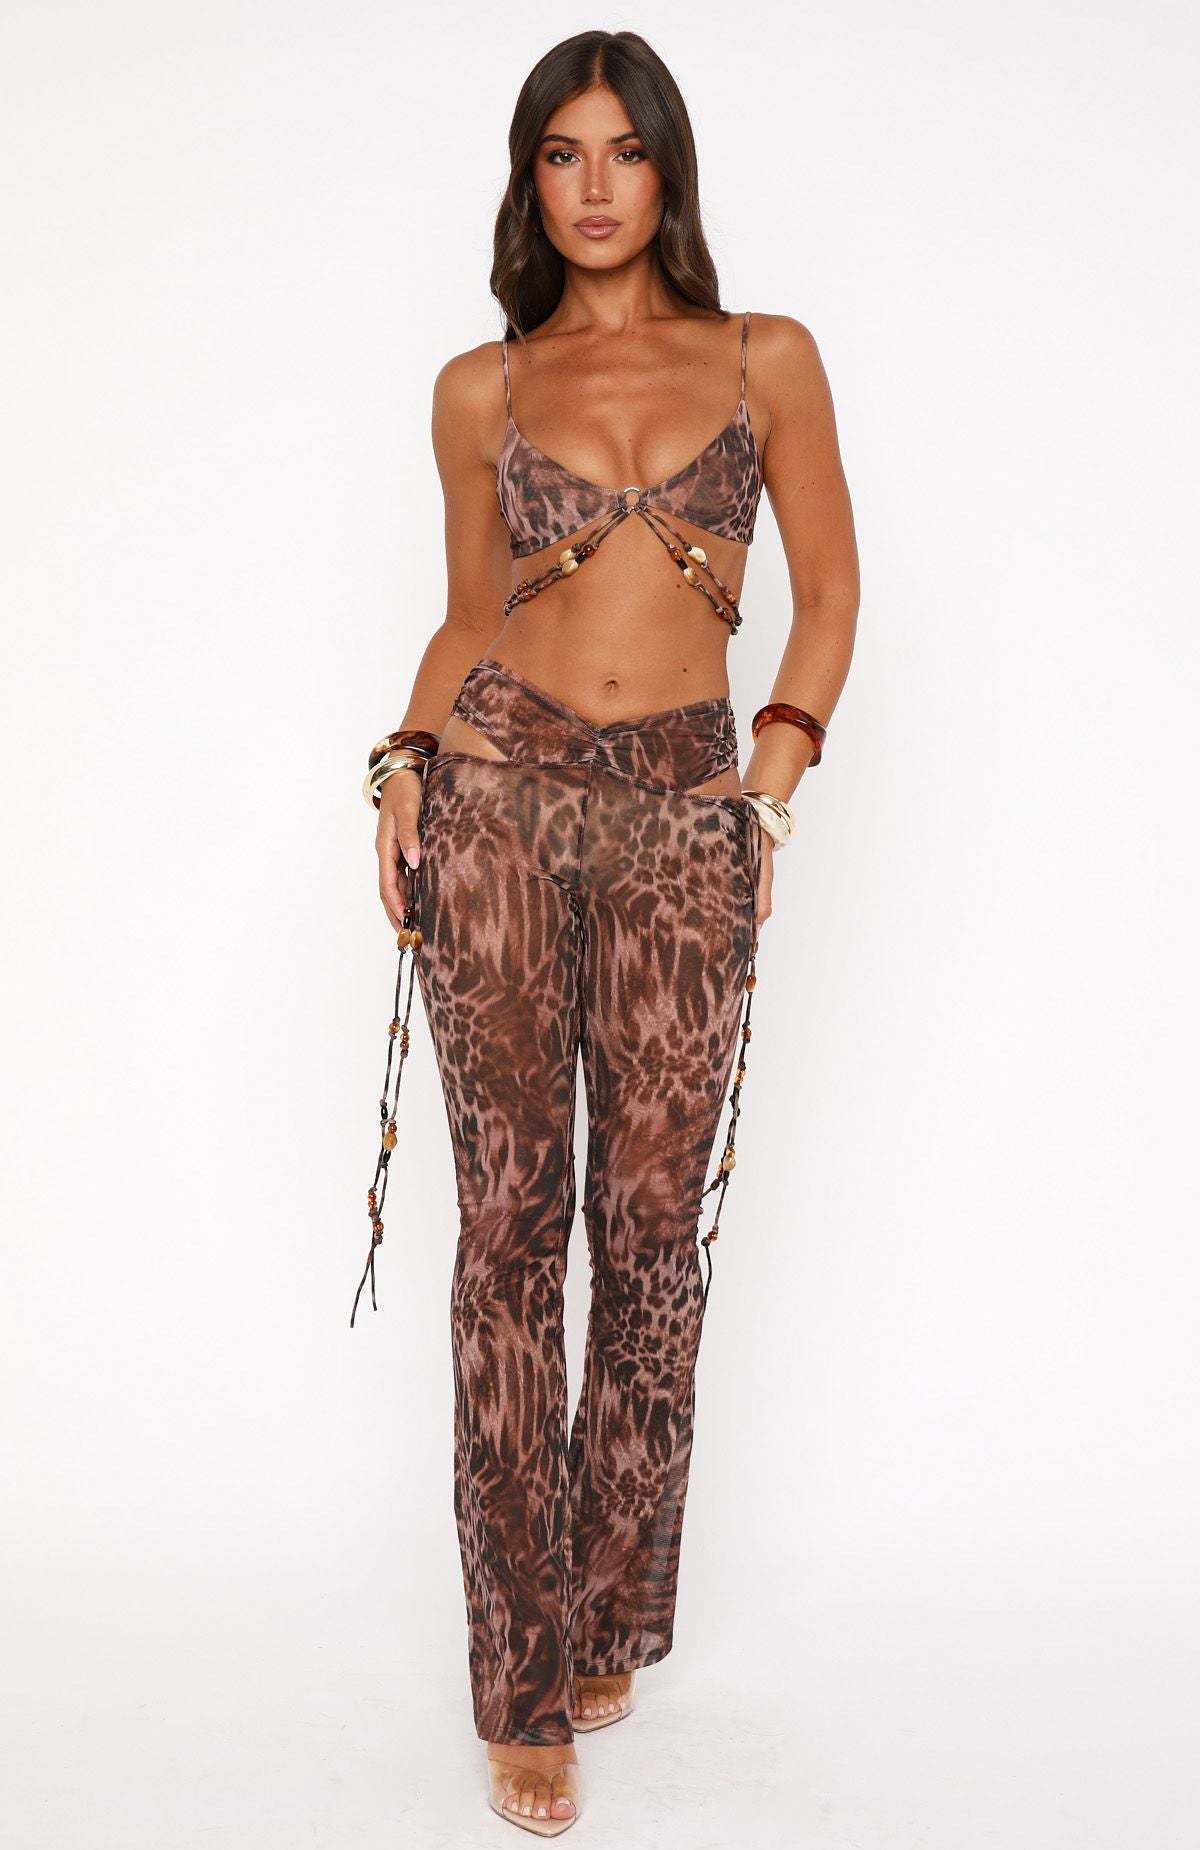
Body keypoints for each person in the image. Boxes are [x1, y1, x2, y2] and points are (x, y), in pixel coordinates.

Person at [355, 28, 858, 1838]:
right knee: (509, 1236)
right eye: (559, 154)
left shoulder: (766, 357)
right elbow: (468, 613)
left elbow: (829, 592)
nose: (590, 185)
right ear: (530, 178)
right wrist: (403, 765)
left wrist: (769, 785)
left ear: (666, 171)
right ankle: (521, 1680)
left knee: (649, 1241)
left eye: (621, 152)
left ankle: (609, 1603)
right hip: (498, 803)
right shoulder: (479, 388)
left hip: (682, 819)